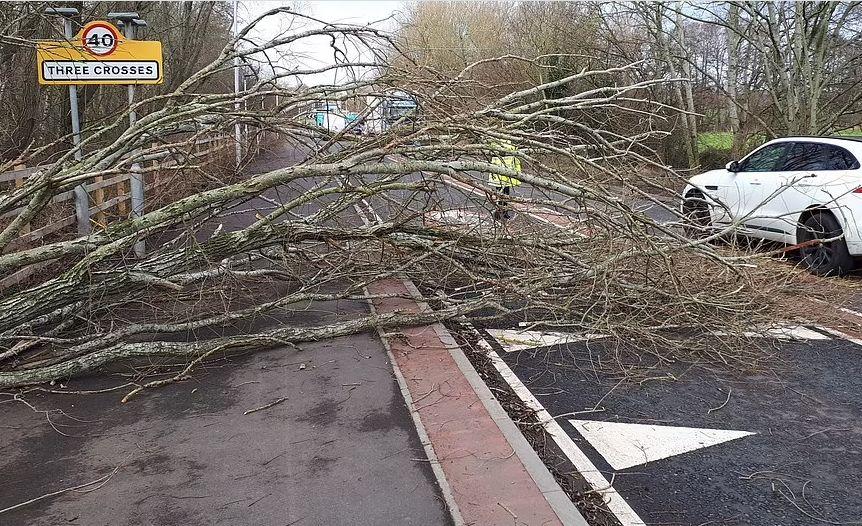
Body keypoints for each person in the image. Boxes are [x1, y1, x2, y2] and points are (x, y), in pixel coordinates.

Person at [488, 139, 522, 220]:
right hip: (504, 175)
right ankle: (501, 212)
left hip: (499, 176)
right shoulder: (509, 145)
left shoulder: (495, 144)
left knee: (502, 195)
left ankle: (502, 212)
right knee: (504, 195)